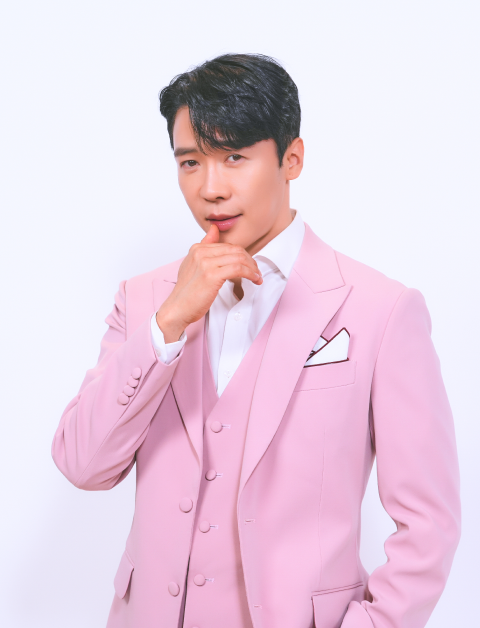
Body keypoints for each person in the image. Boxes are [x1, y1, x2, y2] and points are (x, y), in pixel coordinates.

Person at [51, 53, 461, 628]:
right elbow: (83, 464)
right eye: (190, 162)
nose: (211, 188)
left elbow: (429, 524)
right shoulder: (145, 300)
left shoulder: (382, 310)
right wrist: (169, 323)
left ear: (292, 158)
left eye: (235, 157)